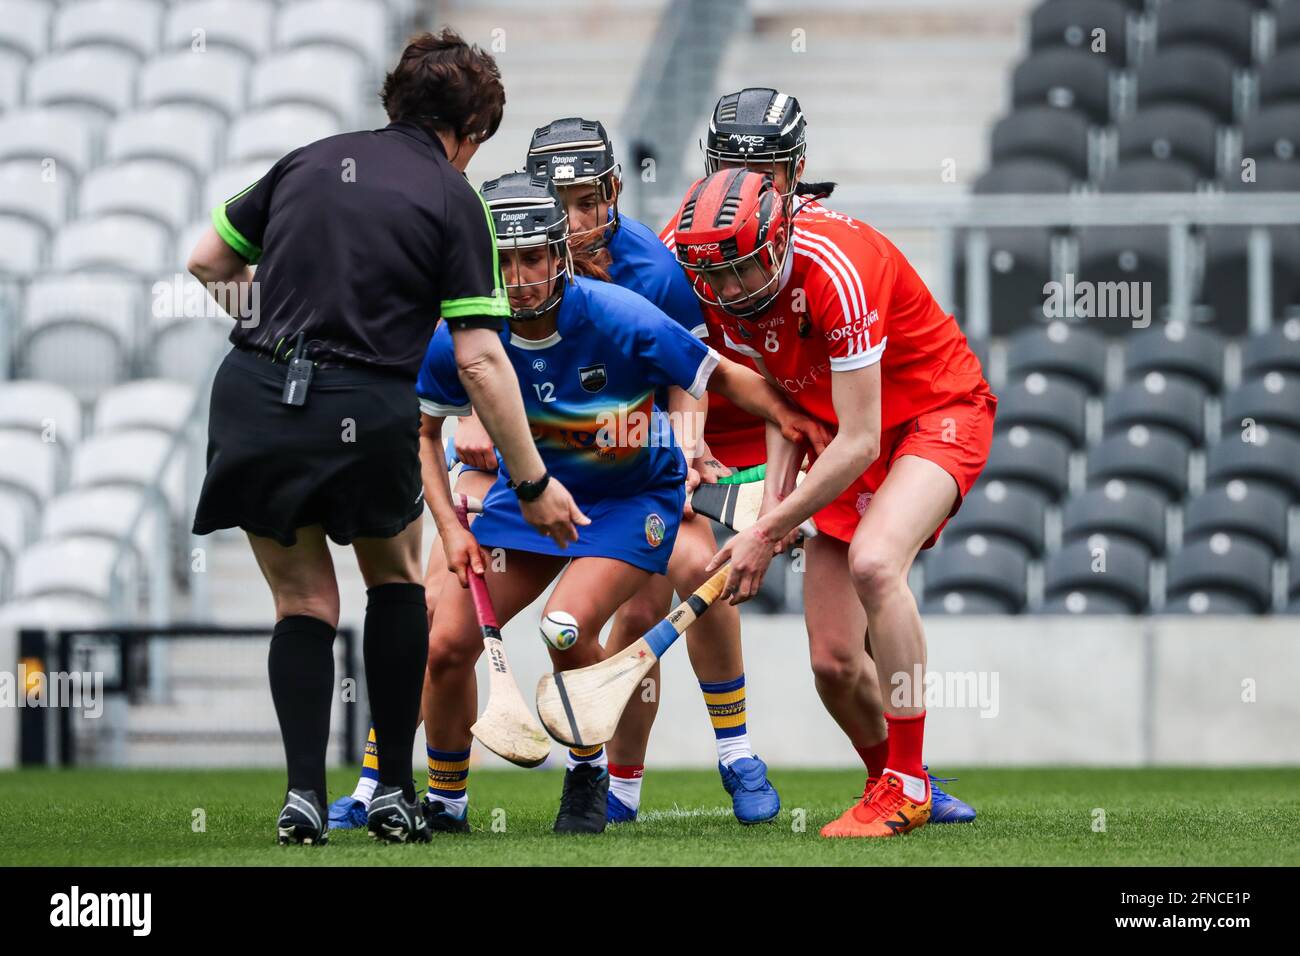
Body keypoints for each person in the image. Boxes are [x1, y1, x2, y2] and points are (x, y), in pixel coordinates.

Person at [329, 118, 828, 829]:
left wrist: (790, 419)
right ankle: (438, 802)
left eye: (534, 257)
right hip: (529, 494)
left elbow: (715, 376)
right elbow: (425, 430)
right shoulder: (462, 330)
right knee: (443, 639)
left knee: (565, 629)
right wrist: (449, 522)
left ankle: (601, 772)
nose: (520, 278)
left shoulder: (628, 304)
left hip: (629, 498)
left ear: (560, 254)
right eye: (504, 261)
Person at [187, 30, 585, 846]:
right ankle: (395, 794)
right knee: (397, 585)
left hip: (256, 395)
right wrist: (535, 481)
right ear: (469, 129)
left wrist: (288, 331)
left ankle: (303, 795)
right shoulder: (451, 195)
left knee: (301, 603)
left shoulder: (308, 158)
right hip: (366, 404)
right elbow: (478, 359)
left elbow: (207, 263)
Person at [667, 87, 978, 823]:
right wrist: (770, 516)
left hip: (933, 415)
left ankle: (904, 784)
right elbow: (788, 410)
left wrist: (766, 531)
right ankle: (906, 786)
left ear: (796, 173)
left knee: (875, 562)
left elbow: (864, 436)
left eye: (773, 172)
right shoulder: (716, 262)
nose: (730, 290)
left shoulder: (832, 263)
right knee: (834, 664)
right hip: (839, 437)